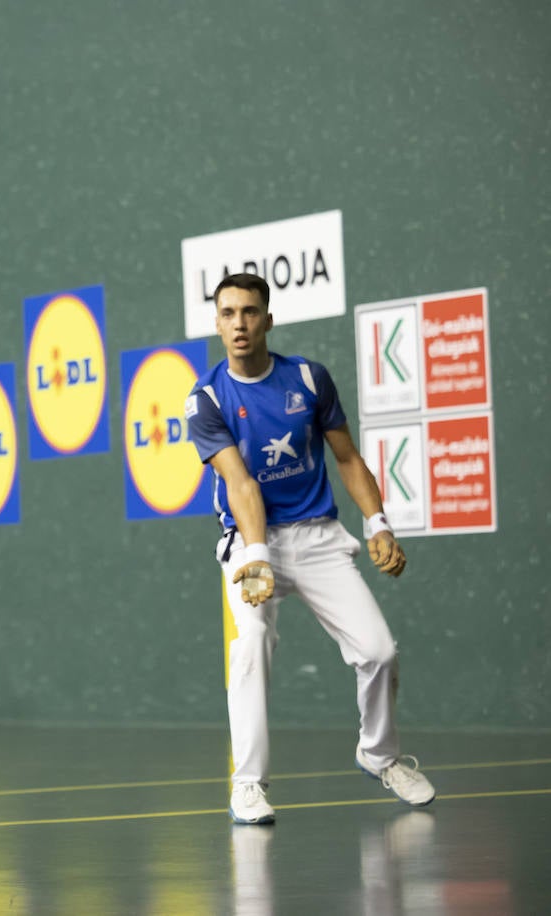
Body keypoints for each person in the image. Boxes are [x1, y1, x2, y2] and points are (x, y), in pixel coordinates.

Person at [185, 272, 435, 825]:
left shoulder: (309, 379)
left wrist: (379, 525)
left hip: (319, 538)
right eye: (228, 313)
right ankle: (248, 784)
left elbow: (347, 457)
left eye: (249, 312)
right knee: (250, 644)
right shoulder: (205, 399)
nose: (240, 323)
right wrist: (256, 558)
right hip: (251, 542)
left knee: (379, 653)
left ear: (267, 320)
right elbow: (242, 484)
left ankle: (380, 755)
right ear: (218, 323)